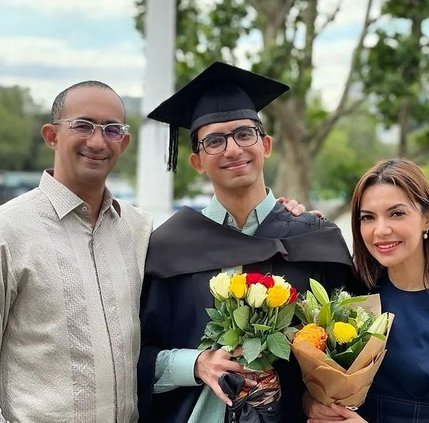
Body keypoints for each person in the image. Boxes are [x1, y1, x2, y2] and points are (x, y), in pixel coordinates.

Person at [137, 61, 361, 423]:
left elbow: (344, 350)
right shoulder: (168, 247)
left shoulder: (314, 238)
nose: (233, 149)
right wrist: (193, 364)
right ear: (196, 161)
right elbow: (134, 357)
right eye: (215, 140)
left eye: (244, 133)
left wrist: (312, 401)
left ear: (266, 145)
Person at [0, 81, 153, 422]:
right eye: (82, 126)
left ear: (124, 143)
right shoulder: (8, 230)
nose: (97, 141)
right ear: (51, 135)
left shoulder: (139, 230)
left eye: (112, 130)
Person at [304, 158, 429, 422]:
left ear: (428, 219)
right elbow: (315, 388)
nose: (381, 230)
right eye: (368, 218)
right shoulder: (351, 298)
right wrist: (311, 405)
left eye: (397, 213)